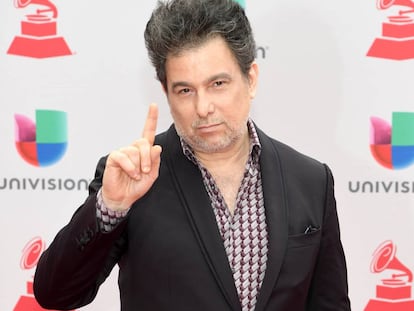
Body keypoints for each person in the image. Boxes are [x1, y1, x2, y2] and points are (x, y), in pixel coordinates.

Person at [33, 0, 351, 310]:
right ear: (166, 91)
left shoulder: (310, 180)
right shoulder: (133, 176)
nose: (203, 108)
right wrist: (111, 206)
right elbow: (55, 294)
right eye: (185, 90)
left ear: (250, 79)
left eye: (218, 84)